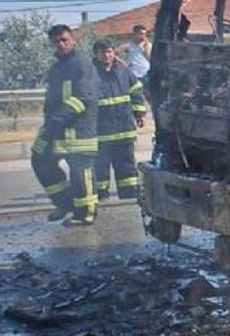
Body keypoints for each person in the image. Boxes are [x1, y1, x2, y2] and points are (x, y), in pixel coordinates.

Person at [31, 25, 100, 227]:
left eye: (64, 40)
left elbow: (83, 96)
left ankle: (86, 212)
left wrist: (56, 119)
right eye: (56, 41)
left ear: (73, 40)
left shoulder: (82, 65)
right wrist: (50, 123)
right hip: (55, 127)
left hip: (79, 129)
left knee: (81, 170)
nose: (61, 44)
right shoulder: (56, 68)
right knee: (39, 159)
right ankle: (65, 203)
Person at [90, 40, 147, 200]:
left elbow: (136, 92)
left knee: (126, 165)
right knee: (100, 166)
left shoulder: (124, 71)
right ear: (96, 54)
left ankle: (129, 193)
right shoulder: (89, 74)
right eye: (102, 52)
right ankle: (100, 194)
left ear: (114, 52)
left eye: (109, 51)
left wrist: (139, 114)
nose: (107, 55)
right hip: (101, 131)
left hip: (124, 129)